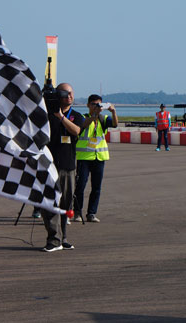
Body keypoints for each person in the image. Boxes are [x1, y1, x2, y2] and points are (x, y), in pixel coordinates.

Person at [40, 83, 84, 252]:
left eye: (71, 93)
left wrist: (60, 117)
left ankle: (62, 237)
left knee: (66, 204)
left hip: (67, 166)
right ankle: (53, 238)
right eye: (65, 93)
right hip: (49, 165)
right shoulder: (46, 115)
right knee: (48, 202)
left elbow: (76, 131)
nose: (69, 96)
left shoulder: (76, 116)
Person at [74, 94, 118, 223]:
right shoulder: (82, 117)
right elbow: (84, 125)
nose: (96, 107)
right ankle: (77, 212)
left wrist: (113, 111)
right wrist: (94, 115)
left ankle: (91, 213)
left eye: (98, 104)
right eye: (93, 104)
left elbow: (115, 124)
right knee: (80, 186)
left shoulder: (103, 118)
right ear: (88, 105)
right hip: (84, 157)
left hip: (99, 157)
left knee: (96, 187)